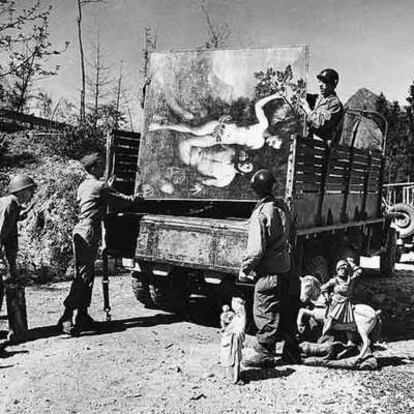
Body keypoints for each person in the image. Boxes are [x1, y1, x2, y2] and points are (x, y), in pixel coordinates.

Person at [58, 153, 142, 335]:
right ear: (94, 168)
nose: (104, 168)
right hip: (89, 230)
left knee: (86, 276)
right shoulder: (99, 186)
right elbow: (121, 200)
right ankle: (66, 316)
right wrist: (136, 199)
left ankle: (82, 316)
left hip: (82, 229)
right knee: (82, 277)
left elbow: (96, 196)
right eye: (101, 165)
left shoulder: (84, 185)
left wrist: (107, 187)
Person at [239, 169, 300, 367]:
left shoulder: (261, 212)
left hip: (268, 271)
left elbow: (256, 250)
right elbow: (293, 236)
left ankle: (266, 352)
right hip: (285, 267)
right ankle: (291, 351)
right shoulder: (283, 208)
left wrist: (245, 268)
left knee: (265, 309)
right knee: (285, 309)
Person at [149, 92, 290, 151]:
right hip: (223, 127)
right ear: (277, 135)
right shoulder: (263, 125)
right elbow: (258, 105)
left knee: (193, 143)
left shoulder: (259, 145)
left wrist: (222, 144)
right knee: (195, 130)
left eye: (273, 147)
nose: (271, 145)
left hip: (219, 140)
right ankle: (160, 125)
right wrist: (275, 95)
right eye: (275, 142)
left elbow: (238, 147)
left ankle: (167, 126)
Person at [0, 175, 37, 338]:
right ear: (21, 192)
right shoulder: (7, 204)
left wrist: (12, 267)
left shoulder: (14, 207)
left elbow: (10, 242)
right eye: (30, 191)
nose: (32, 195)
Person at [321, 259, 362, 346]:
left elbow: (359, 271)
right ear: (337, 270)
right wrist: (326, 296)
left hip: (347, 304)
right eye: (341, 269)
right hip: (336, 303)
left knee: (349, 322)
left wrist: (350, 263)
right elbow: (323, 288)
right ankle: (328, 338)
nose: (343, 271)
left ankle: (350, 341)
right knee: (331, 322)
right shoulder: (334, 280)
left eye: (345, 269)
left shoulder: (350, 280)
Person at [299, 68, 344, 144]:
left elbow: (319, 124)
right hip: (311, 142)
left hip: (321, 147)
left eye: (324, 82)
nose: (320, 85)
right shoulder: (320, 98)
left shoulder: (335, 104)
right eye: (319, 81)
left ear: (333, 84)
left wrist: (307, 109)